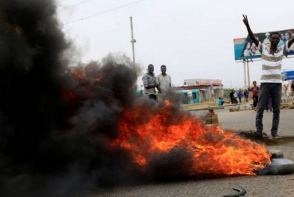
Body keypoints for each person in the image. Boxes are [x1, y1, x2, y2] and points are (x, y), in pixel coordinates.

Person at [243, 15, 294, 139]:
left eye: (277, 38)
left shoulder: (281, 50)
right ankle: (259, 131)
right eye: (274, 38)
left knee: (277, 110)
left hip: (277, 84)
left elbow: (292, 40)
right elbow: (252, 37)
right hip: (265, 84)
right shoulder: (264, 49)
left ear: (279, 40)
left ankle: (274, 132)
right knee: (260, 109)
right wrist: (247, 25)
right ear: (270, 40)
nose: (275, 40)